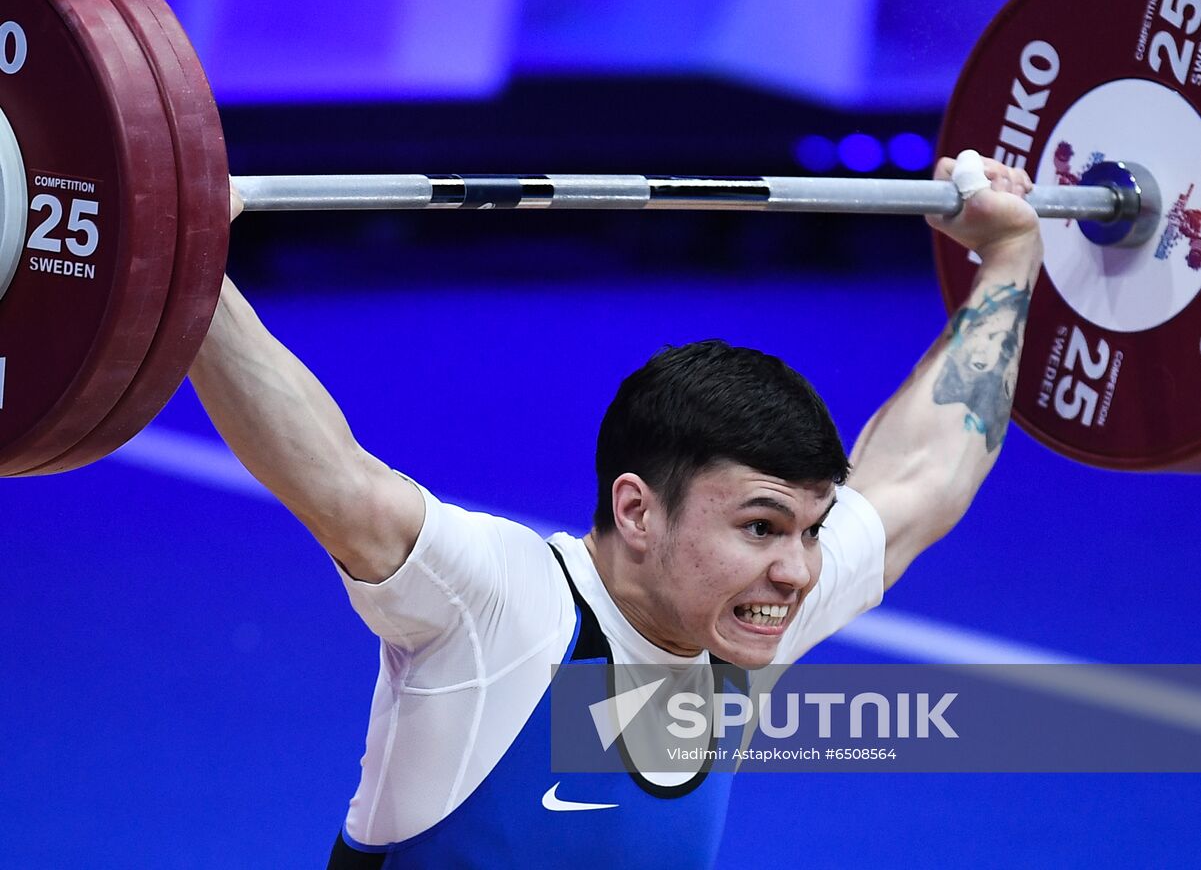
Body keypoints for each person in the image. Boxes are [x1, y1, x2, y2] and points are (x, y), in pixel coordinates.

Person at [187, 152, 1042, 868]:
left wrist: (1008, 259)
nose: (797, 570)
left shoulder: (740, 617)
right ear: (636, 511)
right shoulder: (506, 607)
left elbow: (921, 477)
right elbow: (335, 482)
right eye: (760, 526)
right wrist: (185, 258)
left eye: (810, 528)